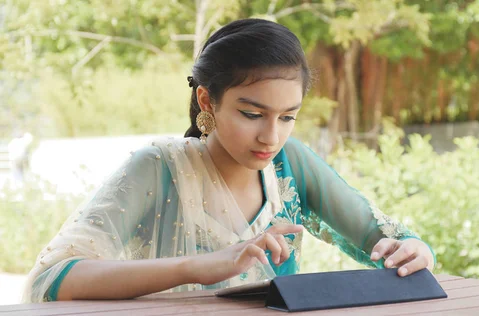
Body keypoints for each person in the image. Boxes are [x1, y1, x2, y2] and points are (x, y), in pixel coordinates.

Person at [23, 18, 435, 303]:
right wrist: (197, 267)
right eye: (252, 114)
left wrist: (413, 248)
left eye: (288, 117)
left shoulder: (291, 164)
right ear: (207, 99)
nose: (271, 137)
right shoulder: (159, 167)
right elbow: (54, 278)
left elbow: (377, 236)